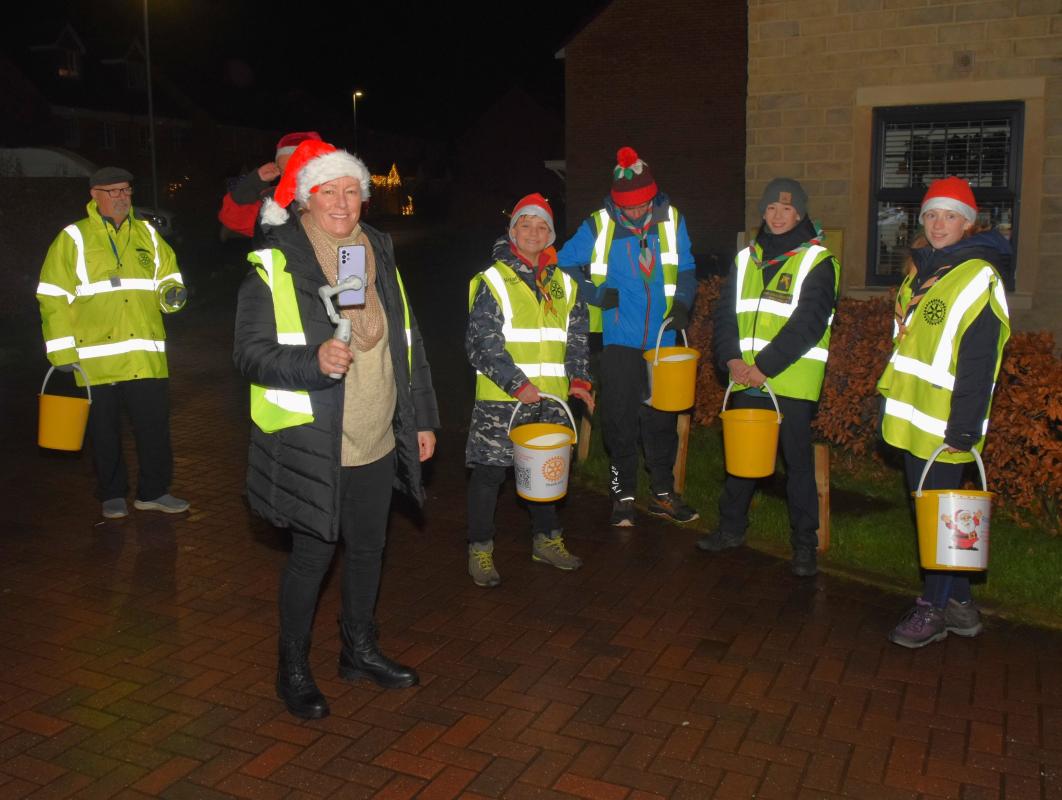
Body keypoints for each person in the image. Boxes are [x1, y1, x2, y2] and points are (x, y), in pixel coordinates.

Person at [233, 139, 439, 719]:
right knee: (312, 557)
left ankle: (359, 651)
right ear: (306, 198)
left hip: (377, 429)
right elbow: (249, 353)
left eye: (352, 190)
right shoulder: (277, 261)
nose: (343, 202)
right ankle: (293, 668)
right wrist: (313, 361)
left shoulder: (372, 250)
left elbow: (406, 339)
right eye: (330, 191)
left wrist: (421, 417)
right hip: (314, 438)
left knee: (369, 548)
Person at [877, 176, 1010, 648]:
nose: (938, 224)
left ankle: (932, 609)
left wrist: (964, 429)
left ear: (968, 224)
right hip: (915, 417)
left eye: (950, 216)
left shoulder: (977, 277)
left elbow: (979, 360)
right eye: (931, 215)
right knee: (932, 513)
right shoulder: (925, 270)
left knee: (937, 518)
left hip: (946, 425)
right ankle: (960, 605)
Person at [698, 178, 840, 577]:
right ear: (763, 212)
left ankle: (804, 545)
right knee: (742, 460)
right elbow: (726, 315)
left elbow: (808, 324)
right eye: (772, 209)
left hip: (790, 381)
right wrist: (731, 359)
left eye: (787, 209)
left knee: (797, 465)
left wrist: (763, 367)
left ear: (800, 214)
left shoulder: (818, 261)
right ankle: (731, 529)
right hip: (745, 377)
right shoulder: (746, 259)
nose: (778, 216)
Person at [37, 166, 190, 520]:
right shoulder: (74, 237)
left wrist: (172, 294)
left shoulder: (148, 234)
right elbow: (52, 295)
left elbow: (168, 277)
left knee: (154, 428)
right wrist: (61, 351)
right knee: (103, 432)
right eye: (114, 191)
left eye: (126, 190)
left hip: (144, 354)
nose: (123, 197)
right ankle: (111, 493)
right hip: (95, 358)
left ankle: (154, 492)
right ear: (95, 195)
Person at [556, 146, 698, 528]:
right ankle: (622, 495)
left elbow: (686, 267)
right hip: (619, 339)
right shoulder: (598, 224)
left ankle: (663, 494)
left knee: (661, 421)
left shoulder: (673, 220)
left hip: (663, 342)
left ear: (653, 196)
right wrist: (596, 294)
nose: (634, 213)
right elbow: (563, 263)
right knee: (619, 420)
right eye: (627, 207)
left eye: (641, 205)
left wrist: (683, 302)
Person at [465, 193, 593, 587]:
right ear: (513, 231)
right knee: (489, 475)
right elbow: (481, 343)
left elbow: (577, 340)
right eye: (526, 224)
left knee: (547, 474)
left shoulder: (565, 285)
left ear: (550, 235)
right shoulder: (493, 280)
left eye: (542, 226)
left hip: (550, 400)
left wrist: (580, 380)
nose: (534, 233)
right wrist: (517, 384)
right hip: (501, 399)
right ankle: (480, 549)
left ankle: (546, 540)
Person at [218, 131, 322, 240]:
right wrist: (255, 181)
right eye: (284, 171)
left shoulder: (331, 196)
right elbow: (233, 220)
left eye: (298, 169)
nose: (290, 178)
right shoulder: (275, 200)